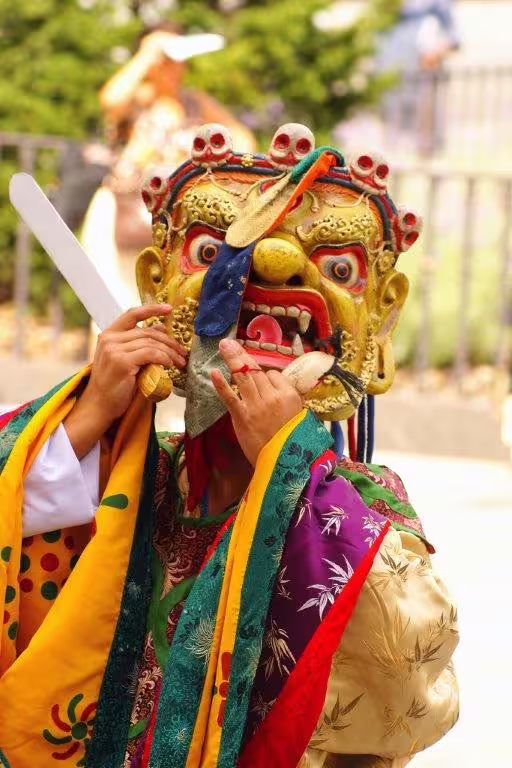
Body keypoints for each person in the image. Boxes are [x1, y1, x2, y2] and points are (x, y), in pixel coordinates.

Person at [0, 123, 459, 768]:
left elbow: (409, 684)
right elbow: (14, 523)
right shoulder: (127, 470)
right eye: (213, 254)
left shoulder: (360, 504)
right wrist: (90, 417)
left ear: (379, 320)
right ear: (158, 287)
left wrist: (290, 465)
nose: (269, 264)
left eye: (337, 266)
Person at [82, 24, 255, 309]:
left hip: (174, 215)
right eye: (168, 58)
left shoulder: (195, 102)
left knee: (164, 304)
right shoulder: (138, 99)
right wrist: (147, 53)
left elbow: (243, 139)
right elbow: (110, 101)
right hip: (122, 210)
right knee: (110, 307)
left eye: (178, 58)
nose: (175, 66)